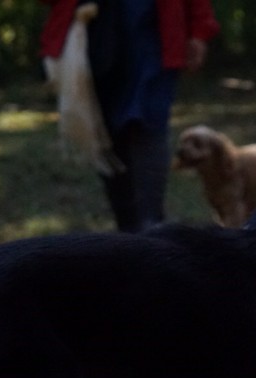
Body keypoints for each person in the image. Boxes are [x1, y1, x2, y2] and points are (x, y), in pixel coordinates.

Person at [39, 0, 220, 232]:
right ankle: (127, 227)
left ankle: (152, 222)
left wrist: (198, 30)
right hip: (98, 29)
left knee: (147, 119)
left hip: (153, 31)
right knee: (107, 130)